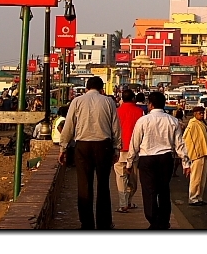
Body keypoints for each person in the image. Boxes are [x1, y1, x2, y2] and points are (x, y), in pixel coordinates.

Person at [59, 76, 121, 230]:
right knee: (103, 185)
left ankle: (86, 223)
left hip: (83, 145)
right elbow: (116, 127)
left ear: (87, 88)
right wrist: (117, 148)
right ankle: (104, 222)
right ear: (101, 89)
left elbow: (69, 126)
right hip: (103, 145)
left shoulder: (77, 101)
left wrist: (63, 147)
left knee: (84, 185)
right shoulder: (108, 102)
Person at [125, 91, 190, 230]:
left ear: (150, 105)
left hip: (147, 159)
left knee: (149, 192)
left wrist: (129, 162)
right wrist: (185, 163)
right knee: (164, 190)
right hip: (166, 159)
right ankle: (164, 221)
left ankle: (153, 220)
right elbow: (180, 144)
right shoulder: (172, 121)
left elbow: (134, 143)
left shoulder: (143, 120)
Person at [114, 89, 144, 214]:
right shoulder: (140, 112)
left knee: (121, 177)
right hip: (135, 150)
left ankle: (123, 204)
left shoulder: (116, 112)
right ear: (133, 99)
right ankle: (129, 201)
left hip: (120, 149)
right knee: (133, 179)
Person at [183, 105, 207, 206]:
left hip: (203, 154)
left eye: (202, 113)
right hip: (196, 155)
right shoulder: (192, 125)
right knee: (196, 178)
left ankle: (199, 197)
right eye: (200, 113)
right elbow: (186, 139)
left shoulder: (202, 124)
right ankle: (193, 198)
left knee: (202, 179)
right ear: (195, 114)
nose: (202, 114)